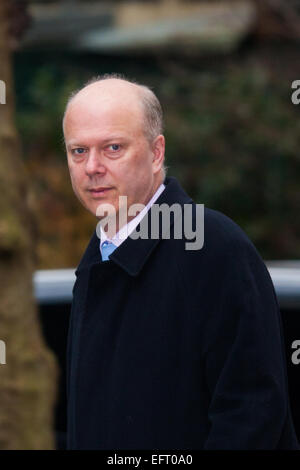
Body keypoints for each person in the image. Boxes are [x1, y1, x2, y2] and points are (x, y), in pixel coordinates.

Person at [63, 74, 299, 450]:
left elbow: (252, 416)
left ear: (157, 153)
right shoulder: (98, 259)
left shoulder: (213, 248)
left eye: (112, 148)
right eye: (78, 151)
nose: (92, 167)